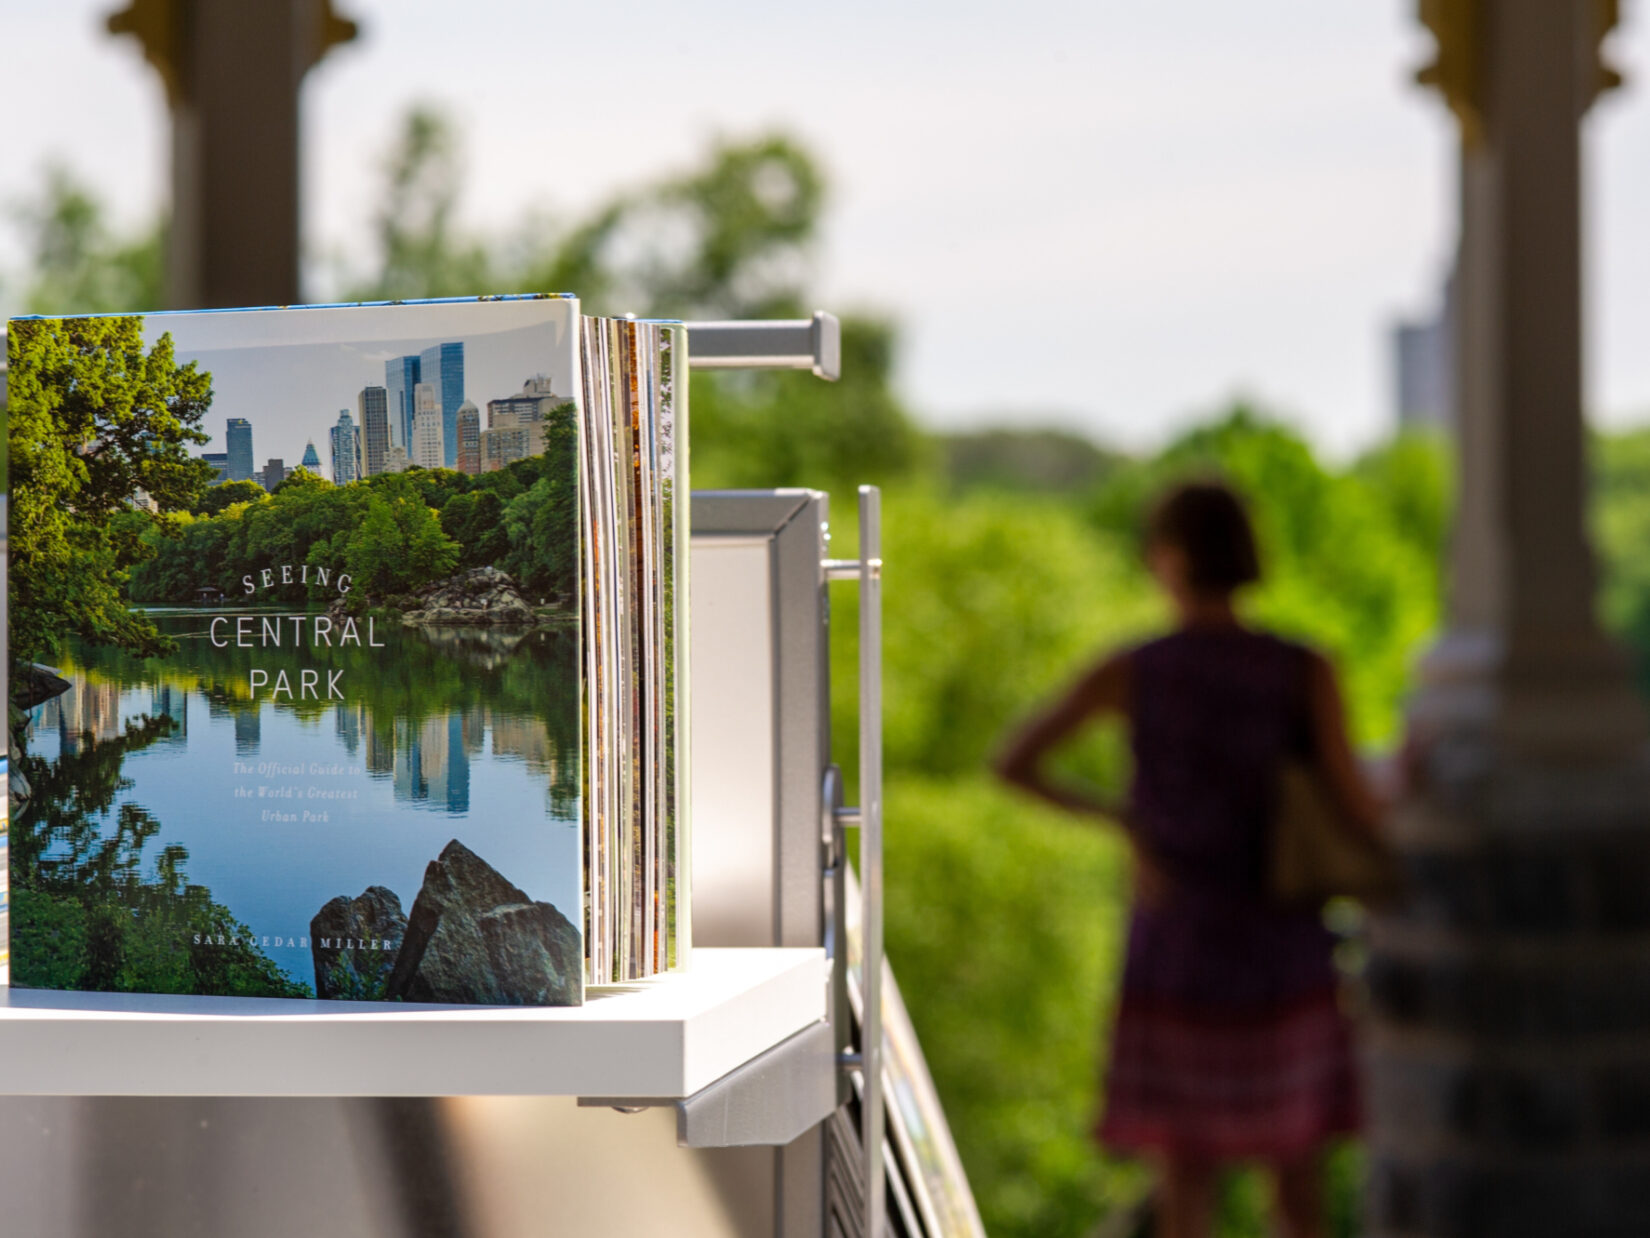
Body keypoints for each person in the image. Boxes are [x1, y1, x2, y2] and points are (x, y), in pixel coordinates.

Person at [994, 479, 1381, 1238]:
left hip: (1179, 945)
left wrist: (1124, 823)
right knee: (1297, 1185)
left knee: (1185, 1184)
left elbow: (1015, 761)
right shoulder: (1303, 669)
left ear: (1168, 558)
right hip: (1284, 946)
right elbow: (1356, 806)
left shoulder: (1137, 670)